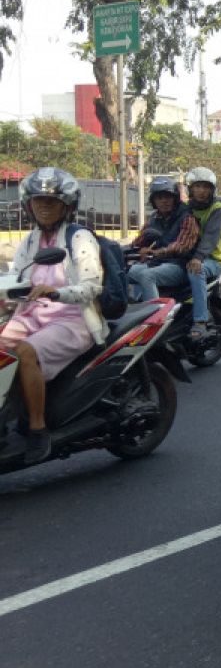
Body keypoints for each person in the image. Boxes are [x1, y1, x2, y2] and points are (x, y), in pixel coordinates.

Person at [3, 169, 107, 463]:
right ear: (29, 205)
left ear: (67, 206)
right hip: (33, 315)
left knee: (25, 352)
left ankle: (37, 428)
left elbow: (91, 287)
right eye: (38, 201)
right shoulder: (30, 242)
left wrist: (56, 293)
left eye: (51, 201)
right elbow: (16, 280)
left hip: (73, 319)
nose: (44, 207)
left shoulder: (80, 238)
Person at [129, 176, 199, 301]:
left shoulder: (186, 217)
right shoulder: (154, 218)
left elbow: (182, 246)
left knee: (146, 276)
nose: (164, 201)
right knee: (126, 272)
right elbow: (138, 241)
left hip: (179, 265)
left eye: (168, 197)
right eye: (159, 198)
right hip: (158, 263)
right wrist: (127, 250)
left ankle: (156, 316)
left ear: (175, 198)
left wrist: (157, 252)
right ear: (153, 201)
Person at [182, 167, 221, 341]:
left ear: (212, 189)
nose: (201, 191)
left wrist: (198, 257)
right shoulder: (185, 208)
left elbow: (210, 237)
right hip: (190, 256)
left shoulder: (217, 207)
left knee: (196, 270)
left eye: (206, 187)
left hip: (213, 259)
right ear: (190, 189)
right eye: (197, 186)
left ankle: (200, 320)